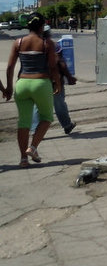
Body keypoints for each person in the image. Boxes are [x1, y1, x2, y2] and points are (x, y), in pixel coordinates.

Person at [5, 12, 61, 168]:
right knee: (47, 118)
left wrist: (9, 87)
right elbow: (52, 66)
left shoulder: (18, 42)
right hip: (40, 83)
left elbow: (10, 67)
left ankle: (23, 159)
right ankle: (33, 147)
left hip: (22, 84)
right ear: (42, 26)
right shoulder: (47, 43)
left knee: (23, 122)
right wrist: (58, 83)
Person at [30, 26, 77, 135]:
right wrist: (69, 77)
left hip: (37, 80)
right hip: (54, 81)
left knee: (37, 106)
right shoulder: (53, 45)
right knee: (59, 104)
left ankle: (34, 130)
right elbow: (60, 63)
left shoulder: (31, 46)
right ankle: (66, 125)